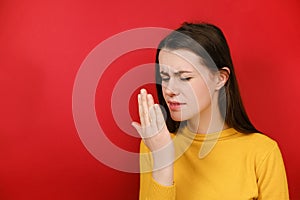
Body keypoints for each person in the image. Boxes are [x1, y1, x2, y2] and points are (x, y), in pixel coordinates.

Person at [131, 22, 289, 199]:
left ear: (220, 79)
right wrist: (163, 161)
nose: (169, 89)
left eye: (185, 77)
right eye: (165, 77)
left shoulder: (262, 152)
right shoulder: (154, 143)